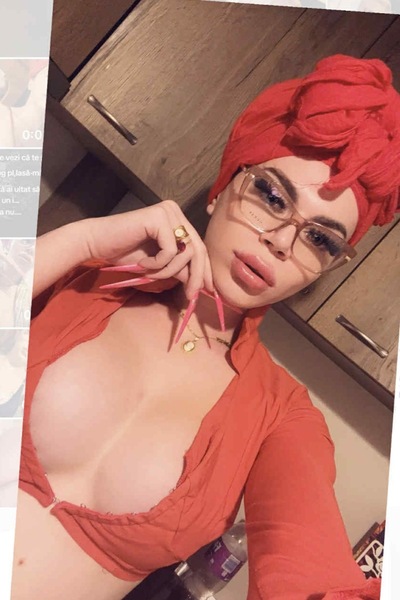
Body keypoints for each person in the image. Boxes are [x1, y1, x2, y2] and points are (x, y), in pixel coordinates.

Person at [12, 54, 399, 600]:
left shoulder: (281, 416)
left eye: (320, 239)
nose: (281, 241)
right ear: (221, 188)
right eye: (272, 196)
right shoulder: (79, 276)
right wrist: (83, 240)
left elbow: (308, 569)